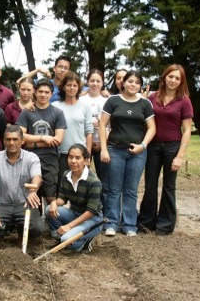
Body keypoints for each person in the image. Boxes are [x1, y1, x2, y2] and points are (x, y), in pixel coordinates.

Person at [138, 64, 193, 235]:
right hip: (153, 146)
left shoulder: (184, 101)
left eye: (177, 78)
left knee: (169, 186)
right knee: (150, 185)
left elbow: (187, 130)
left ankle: (165, 224)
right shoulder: (153, 97)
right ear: (165, 77)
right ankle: (147, 222)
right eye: (171, 76)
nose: (173, 80)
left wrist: (180, 156)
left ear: (181, 81)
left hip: (172, 147)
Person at [99, 70, 156, 237]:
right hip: (115, 150)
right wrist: (104, 148)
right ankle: (111, 223)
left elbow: (152, 128)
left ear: (140, 86)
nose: (133, 85)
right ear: (123, 83)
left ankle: (130, 224)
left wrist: (143, 146)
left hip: (137, 153)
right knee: (114, 189)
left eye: (137, 83)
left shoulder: (145, 104)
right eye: (130, 81)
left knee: (131, 189)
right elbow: (102, 125)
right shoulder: (113, 101)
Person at [0, 125, 43, 239]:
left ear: (22, 141)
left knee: (37, 228)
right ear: (4, 141)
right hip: (2, 205)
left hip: (25, 204)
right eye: (8, 139)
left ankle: (21, 228)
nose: (11, 143)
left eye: (15, 139)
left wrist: (32, 191)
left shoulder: (32, 158)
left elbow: (37, 177)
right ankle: (5, 229)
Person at [16, 78, 66, 205]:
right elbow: (20, 136)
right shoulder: (27, 112)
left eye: (46, 92)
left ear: (51, 93)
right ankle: (34, 222)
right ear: (35, 92)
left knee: (50, 194)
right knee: (31, 191)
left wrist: (31, 142)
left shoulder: (57, 113)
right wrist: (44, 138)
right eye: (40, 92)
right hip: (29, 157)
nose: (43, 95)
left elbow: (58, 140)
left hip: (50, 158)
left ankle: (51, 221)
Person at [45, 144, 103, 252]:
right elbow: (62, 199)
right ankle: (62, 238)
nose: (73, 161)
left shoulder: (94, 182)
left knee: (68, 241)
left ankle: (86, 240)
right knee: (48, 209)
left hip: (92, 220)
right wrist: (54, 202)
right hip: (74, 215)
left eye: (78, 158)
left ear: (86, 160)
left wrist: (69, 226)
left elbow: (91, 211)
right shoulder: (66, 175)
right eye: (70, 157)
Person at [52, 71, 93, 192]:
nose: (71, 88)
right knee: (61, 188)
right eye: (69, 85)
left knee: (80, 189)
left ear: (79, 87)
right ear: (63, 87)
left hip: (80, 154)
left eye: (75, 85)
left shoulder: (85, 106)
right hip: (61, 153)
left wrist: (88, 155)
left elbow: (89, 132)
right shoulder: (55, 106)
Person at [80, 69, 108, 209]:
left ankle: (103, 209)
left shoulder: (107, 100)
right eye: (92, 80)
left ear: (103, 83)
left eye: (98, 81)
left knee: (104, 180)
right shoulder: (81, 99)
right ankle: (84, 209)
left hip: (104, 145)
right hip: (84, 145)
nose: (95, 84)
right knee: (84, 179)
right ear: (87, 81)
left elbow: (112, 123)